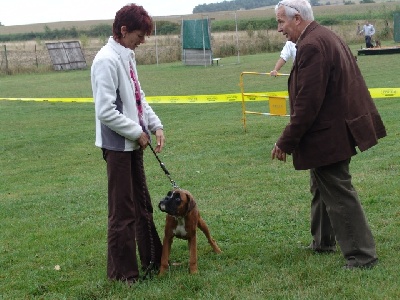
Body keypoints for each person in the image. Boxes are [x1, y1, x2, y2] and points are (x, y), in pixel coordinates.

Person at [271, 0, 386, 269]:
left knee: (338, 193)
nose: (279, 29)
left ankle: (361, 256)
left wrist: (285, 142)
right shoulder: (325, 36)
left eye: (280, 22)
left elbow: (307, 104)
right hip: (333, 130)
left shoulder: (312, 45)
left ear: (297, 18)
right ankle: (323, 241)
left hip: (328, 133)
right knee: (320, 188)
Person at [91, 4, 164, 284]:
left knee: (143, 205)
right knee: (122, 212)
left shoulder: (127, 56)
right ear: (123, 30)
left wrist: (155, 125)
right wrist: (136, 131)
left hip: (133, 143)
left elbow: (137, 96)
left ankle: (153, 260)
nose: (142, 41)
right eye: (139, 35)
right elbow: (106, 111)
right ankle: (122, 274)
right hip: (118, 147)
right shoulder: (106, 60)